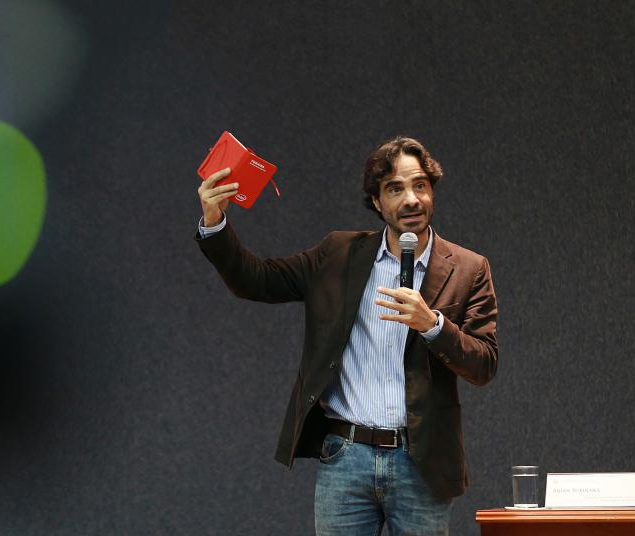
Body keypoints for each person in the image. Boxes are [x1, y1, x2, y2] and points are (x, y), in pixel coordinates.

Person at [195, 136, 498, 535]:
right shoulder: (337, 253)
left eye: (420, 185)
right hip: (346, 457)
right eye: (395, 189)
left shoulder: (468, 268)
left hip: (422, 461)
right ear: (377, 202)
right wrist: (215, 223)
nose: (412, 199)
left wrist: (433, 325)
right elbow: (257, 280)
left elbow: (484, 363)